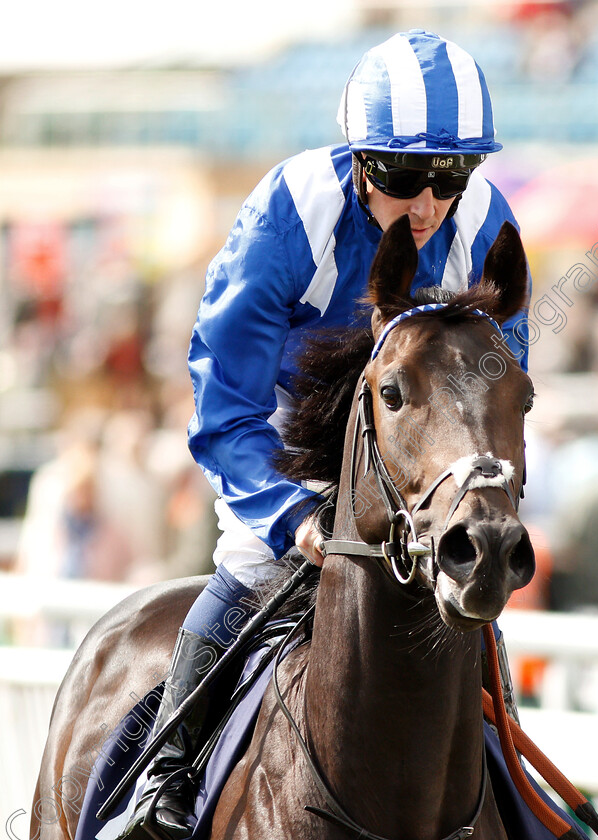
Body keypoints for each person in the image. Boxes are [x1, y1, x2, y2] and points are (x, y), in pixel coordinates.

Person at [120, 29, 531, 840]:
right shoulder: (289, 210)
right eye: (404, 175)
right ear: (358, 161)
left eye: (449, 175)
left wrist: (474, 493)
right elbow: (223, 402)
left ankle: (509, 788)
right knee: (244, 565)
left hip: (412, 455)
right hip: (280, 438)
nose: (426, 205)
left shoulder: (482, 221)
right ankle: (158, 781)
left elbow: (496, 391)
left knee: (472, 612)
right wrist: (290, 515)